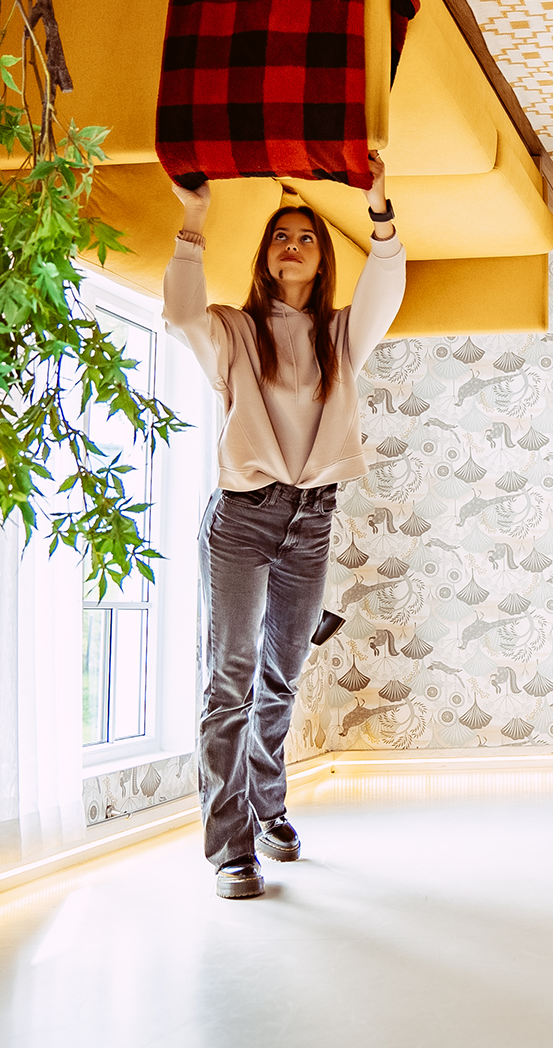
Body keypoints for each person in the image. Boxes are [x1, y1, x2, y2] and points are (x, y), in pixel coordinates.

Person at [165, 157, 405, 899]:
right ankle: (231, 849)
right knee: (230, 680)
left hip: (313, 521)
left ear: (320, 257)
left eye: (306, 236)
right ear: (266, 256)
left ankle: (269, 807)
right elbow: (178, 313)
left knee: (283, 675)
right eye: (281, 236)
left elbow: (387, 288)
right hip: (243, 520)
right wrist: (194, 221)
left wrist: (380, 212)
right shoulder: (234, 332)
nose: (294, 244)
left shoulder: (339, 336)